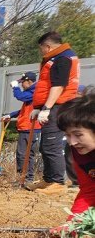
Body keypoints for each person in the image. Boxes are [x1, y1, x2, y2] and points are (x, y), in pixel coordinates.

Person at [30, 31, 80, 194]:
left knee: (52, 144)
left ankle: (57, 181)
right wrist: (38, 106)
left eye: (41, 49)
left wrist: (47, 108)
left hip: (58, 106)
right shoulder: (56, 58)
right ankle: (49, 179)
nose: (41, 52)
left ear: (47, 46)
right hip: (51, 105)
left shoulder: (62, 58)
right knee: (45, 145)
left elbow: (58, 86)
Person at [55, 92, 95, 220]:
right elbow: (89, 191)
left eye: (78, 134)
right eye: (67, 135)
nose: (72, 142)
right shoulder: (81, 154)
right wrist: (72, 225)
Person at [2, 71, 38, 185]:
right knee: (24, 154)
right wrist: (10, 115)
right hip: (26, 127)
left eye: (23, 82)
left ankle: (25, 179)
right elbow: (23, 110)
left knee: (24, 154)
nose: (22, 85)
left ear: (29, 81)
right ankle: (23, 178)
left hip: (30, 128)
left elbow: (20, 96)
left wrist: (15, 87)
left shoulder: (34, 91)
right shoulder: (31, 93)